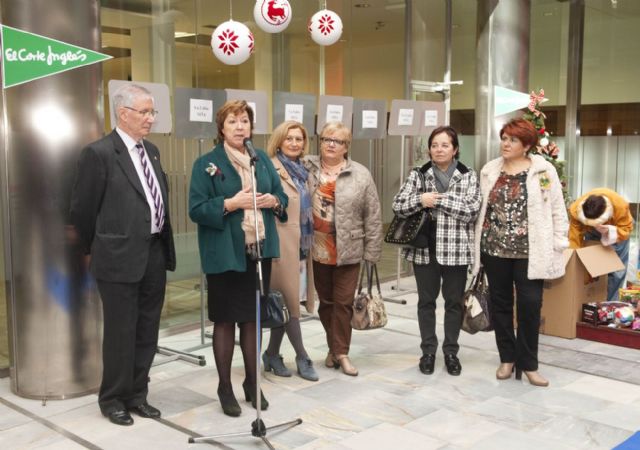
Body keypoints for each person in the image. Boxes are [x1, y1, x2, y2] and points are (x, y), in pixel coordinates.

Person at [69, 83, 176, 425]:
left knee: (147, 329)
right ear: (123, 113)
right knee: (120, 332)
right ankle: (112, 398)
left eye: (152, 111)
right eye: (144, 112)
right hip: (117, 258)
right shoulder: (99, 153)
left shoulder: (152, 151)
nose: (150, 118)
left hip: (154, 253)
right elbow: (82, 210)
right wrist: (98, 247)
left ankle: (137, 394)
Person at [188, 100, 287, 417]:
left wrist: (273, 200)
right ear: (221, 128)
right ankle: (224, 387)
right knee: (225, 320)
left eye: (244, 120)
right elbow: (196, 209)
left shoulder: (262, 160)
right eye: (232, 121)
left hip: (258, 252)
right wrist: (231, 204)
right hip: (224, 254)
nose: (240, 127)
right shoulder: (206, 163)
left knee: (252, 318)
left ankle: (252, 381)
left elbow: (282, 197)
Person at [473, 118, 569, 387]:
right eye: (504, 138)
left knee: (530, 306)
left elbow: (557, 208)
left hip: (531, 252)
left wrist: (559, 242)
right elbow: (482, 210)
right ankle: (507, 358)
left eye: (512, 140)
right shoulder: (490, 170)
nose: (505, 143)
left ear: (526, 145)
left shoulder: (543, 170)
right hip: (494, 250)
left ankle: (529, 364)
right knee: (501, 305)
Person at [392, 126, 481, 376]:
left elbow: (471, 210)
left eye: (444, 145)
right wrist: (420, 200)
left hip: (456, 251)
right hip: (424, 251)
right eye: (434, 145)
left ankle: (451, 352)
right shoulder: (418, 174)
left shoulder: (468, 175)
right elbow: (398, 205)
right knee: (426, 303)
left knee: (454, 304)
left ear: (455, 149)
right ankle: (428, 352)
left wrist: (438, 200)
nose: (439, 149)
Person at [305, 121, 382, 377]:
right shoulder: (308, 168)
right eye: (326, 139)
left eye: (337, 141)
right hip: (317, 247)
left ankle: (342, 353)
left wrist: (372, 252)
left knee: (344, 303)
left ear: (346, 146)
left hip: (349, 247)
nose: (330, 144)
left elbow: (373, 214)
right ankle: (334, 348)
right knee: (326, 303)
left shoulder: (360, 174)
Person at [263, 120, 319, 382]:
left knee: (285, 303)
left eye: (299, 139)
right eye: (289, 138)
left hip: (301, 244)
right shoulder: (269, 167)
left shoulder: (304, 170)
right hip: (280, 245)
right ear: (279, 141)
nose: (295, 143)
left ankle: (272, 354)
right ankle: (302, 356)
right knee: (289, 303)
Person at [569, 188, 634, 301]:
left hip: (618, 228)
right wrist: (575, 263)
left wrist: (610, 231)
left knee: (617, 270)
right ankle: (592, 300)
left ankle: (610, 303)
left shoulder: (620, 205)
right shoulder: (575, 210)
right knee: (592, 266)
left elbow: (626, 230)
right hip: (590, 231)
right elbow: (574, 239)